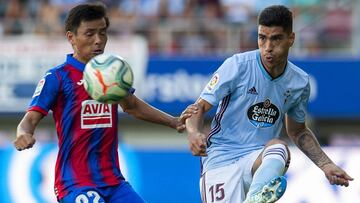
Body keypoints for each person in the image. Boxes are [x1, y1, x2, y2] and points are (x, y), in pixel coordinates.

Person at [13, 3, 190, 203]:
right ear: (71, 37)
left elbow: (131, 105)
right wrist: (23, 134)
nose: (98, 41)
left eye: (103, 33)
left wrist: (173, 121)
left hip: (114, 182)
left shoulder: (111, 72)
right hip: (75, 183)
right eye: (89, 34)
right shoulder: (58, 77)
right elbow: (29, 119)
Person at [185, 5, 353, 203]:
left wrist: (326, 165)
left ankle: (256, 198)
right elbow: (199, 108)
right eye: (262, 38)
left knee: (279, 148)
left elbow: (298, 131)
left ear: (291, 39)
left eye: (276, 38)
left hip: (258, 164)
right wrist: (194, 133)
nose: (267, 47)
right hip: (221, 161)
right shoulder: (237, 66)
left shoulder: (299, 82)